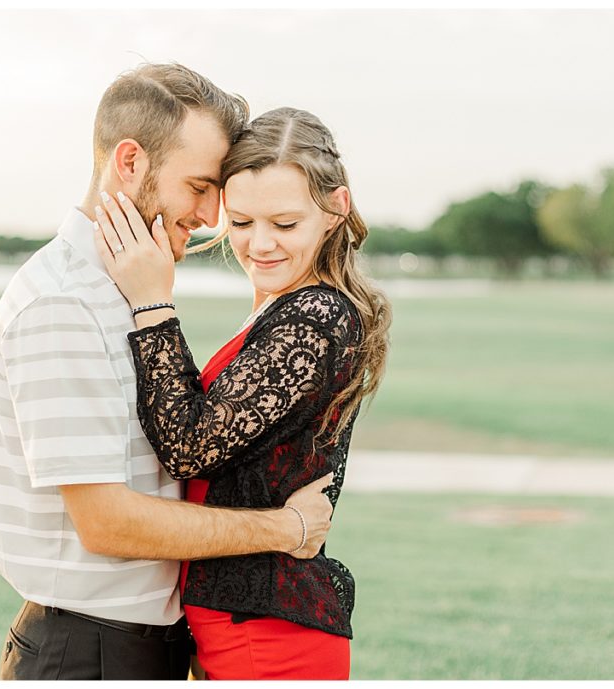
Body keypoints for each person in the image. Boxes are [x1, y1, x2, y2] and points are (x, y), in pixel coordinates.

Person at [0, 66, 336, 681]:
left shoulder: (122, 285)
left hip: (136, 642)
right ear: (129, 162)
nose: (208, 215)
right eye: (198, 186)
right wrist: (284, 528)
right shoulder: (63, 303)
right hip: (90, 650)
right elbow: (107, 521)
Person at [93, 107, 392, 680]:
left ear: (336, 210)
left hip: (268, 637)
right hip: (234, 623)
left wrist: (153, 304)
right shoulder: (281, 307)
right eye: (242, 222)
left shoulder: (315, 316)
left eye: (285, 224)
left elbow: (189, 446)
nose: (260, 245)